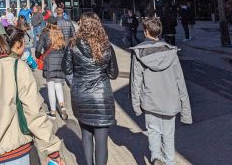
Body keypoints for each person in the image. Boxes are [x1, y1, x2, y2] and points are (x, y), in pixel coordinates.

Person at [0, 19, 64, 165]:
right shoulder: (17, 67)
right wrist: (52, 150)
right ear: (3, 40)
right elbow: (34, 113)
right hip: (14, 153)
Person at [131, 17, 192, 165]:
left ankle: (156, 157)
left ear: (146, 32)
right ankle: (170, 161)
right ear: (159, 32)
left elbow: (136, 82)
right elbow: (180, 82)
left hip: (150, 100)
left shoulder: (139, 53)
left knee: (153, 131)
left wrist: (136, 104)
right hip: (171, 100)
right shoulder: (171, 52)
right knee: (169, 134)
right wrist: (186, 110)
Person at [63, 13, 118, 165]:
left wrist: (75, 83)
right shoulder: (106, 46)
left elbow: (66, 70)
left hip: (80, 95)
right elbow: (113, 74)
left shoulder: (72, 45)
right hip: (102, 97)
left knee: (86, 135)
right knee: (102, 141)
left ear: (81, 25)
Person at [36, 16, 68, 119]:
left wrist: (39, 56)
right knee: (58, 85)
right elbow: (65, 48)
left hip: (49, 62)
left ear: (48, 23)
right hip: (60, 62)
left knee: (50, 86)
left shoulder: (45, 33)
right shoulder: (60, 33)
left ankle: (53, 112)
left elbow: (38, 49)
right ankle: (62, 108)